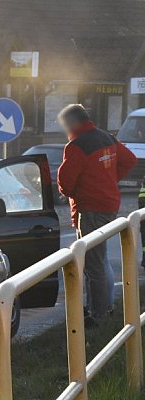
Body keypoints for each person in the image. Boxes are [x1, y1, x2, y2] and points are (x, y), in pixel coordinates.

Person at [57, 104, 136, 324]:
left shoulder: (77, 146)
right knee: (100, 260)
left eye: (65, 125)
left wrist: (90, 186)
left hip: (91, 209)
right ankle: (102, 307)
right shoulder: (106, 138)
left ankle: (98, 314)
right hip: (108, 204)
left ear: (72, 123)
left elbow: (66, 184)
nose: (66, 130)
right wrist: (109, 180)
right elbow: (129, 159)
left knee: (93, 263)